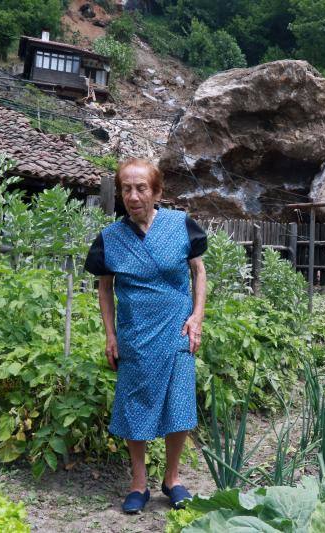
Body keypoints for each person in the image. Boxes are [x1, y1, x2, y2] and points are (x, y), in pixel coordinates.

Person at [84, 158, 207, 514]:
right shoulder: (110, 239)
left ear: (157, 192)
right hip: (135, 335)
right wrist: (111, 335)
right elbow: (104, 289)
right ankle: (138, 483)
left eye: (141, 188)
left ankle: (172, 479)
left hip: (177, 331)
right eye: (126, 188)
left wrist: (197, 317)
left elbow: (198, 272)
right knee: (134, 405)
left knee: (179, 406)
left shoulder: (181, 225)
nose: (133, 196)